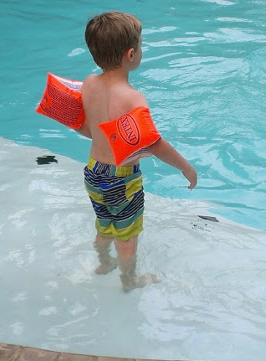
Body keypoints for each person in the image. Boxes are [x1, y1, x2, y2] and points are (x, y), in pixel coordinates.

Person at [75, 11, 197, 292]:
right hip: (122, 179)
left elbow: (86, 127)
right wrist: (185, 167)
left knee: (104, 224)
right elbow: (154, 144)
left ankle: (104, 263)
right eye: (141, 45)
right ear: (131, 54)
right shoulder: (133, 98)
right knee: (127, 237)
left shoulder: (89, 84)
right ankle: (130, 281)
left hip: (93, 172)